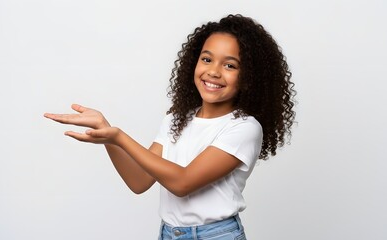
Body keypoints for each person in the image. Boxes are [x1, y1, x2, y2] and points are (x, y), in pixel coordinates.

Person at [44, 14, 295, 240]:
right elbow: (139, 181)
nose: (214, 72)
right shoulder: (177, 120)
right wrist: (107, 135)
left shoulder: (244, 128)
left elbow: (182, 182)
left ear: (250, 76)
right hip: (169, 233)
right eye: (207, 59)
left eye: (230, 65)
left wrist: (119, 137)